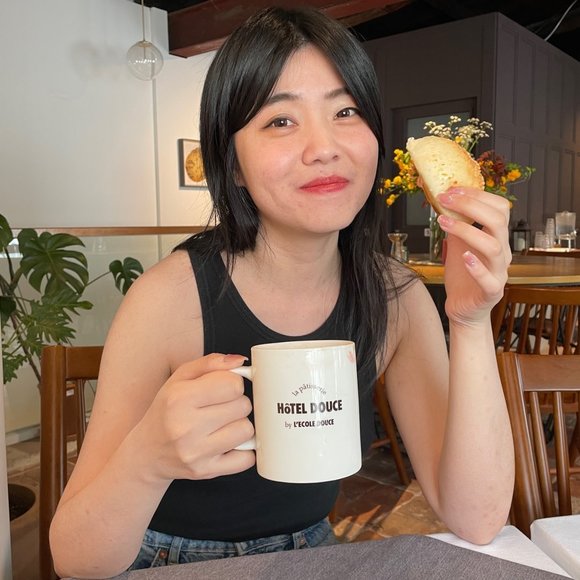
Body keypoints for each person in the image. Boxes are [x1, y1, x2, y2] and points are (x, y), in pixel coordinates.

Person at [50, 6, 515, 577]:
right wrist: (147, 459)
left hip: (309, 552)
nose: (324, 147)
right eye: (280, 121)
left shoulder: (395, 297)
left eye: (345, 111)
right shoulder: (168, 298)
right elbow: (74, 558)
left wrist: (470, 321)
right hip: (166, 559)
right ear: (233, 164)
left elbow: (477, 518)